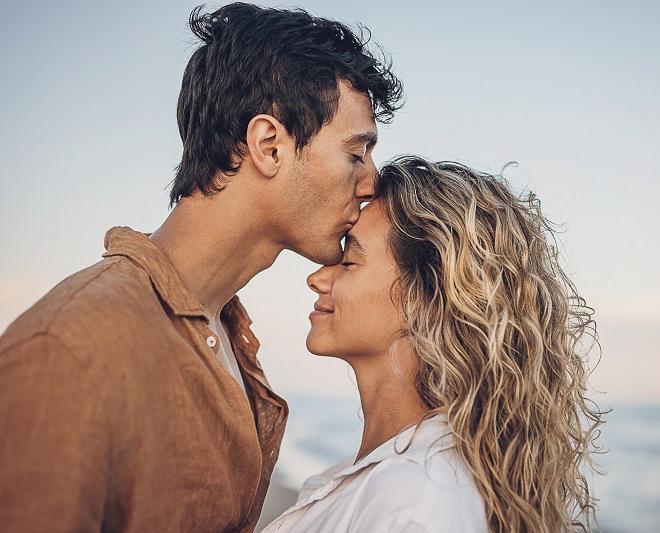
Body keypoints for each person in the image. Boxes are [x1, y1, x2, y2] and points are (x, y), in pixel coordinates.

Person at [0, 3, 401, 531]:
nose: (372, 180)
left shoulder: (232, 339)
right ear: (268, 146)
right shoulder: (73, 349)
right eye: (356, 152)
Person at [263, 156, 603, 533]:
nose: (317, 278)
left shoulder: (419, 500)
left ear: (423, 300)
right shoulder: (379, 477)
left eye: (349, 262)